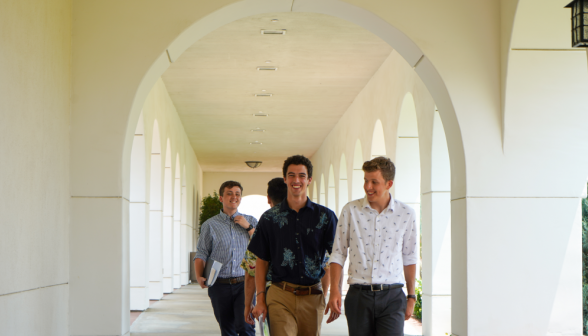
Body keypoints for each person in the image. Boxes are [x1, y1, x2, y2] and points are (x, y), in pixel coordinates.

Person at [325, 157, 418, 336]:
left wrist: (411, 297)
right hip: (359, 296)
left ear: (389, 183)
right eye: (366, 180)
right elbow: (338, 254)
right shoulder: (350, 210)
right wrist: (334, 291)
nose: (368, 186)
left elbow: (410, 257)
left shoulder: (406, 214)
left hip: (392, 296)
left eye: (374, 182)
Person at [249, 155, 337, 336]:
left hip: (313, 295)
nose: (296, 180)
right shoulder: (269, 218)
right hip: (280, 294)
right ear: (285, 179)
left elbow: (336, 257)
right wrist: (260, 298)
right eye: (291, 175)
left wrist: (333, 292)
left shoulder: (326, 217)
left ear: (309, 179)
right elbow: (261, 261)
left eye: (302, 175)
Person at [194, 180, 257, 336]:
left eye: (237, 194)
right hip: (219, 285)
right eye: (229, 193)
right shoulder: (210, 225)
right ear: (221, 198)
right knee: (227, 330)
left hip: (245, 284)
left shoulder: (251, 221)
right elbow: (202, 252)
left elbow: (263, 247)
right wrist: (199, 275)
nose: (234, 197)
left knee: (245, 327)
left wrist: (248, 227)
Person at [242, 177, 288, 326]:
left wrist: (248, 304)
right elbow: (325, 264)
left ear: (268, 199)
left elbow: (251, 272)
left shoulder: (264, 225)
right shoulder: (309, 222)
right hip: (307, 294)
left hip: (273, 294)